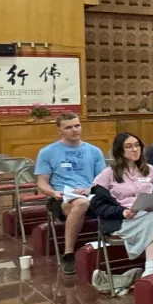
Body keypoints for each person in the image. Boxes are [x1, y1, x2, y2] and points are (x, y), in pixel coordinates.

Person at [35, 113, 106, 274]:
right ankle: (68, 253)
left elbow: (102, 180)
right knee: (81, 204)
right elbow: (41, 182)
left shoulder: (94, 151)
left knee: (87, 203)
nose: (74, 130)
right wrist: (52, 192)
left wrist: (89, 188)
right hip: (61, 196)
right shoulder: (47, 152)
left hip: (89, 193)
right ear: (59, 130)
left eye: (77, 125)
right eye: (68, 127)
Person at [90, 133, 153, 278]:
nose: (135, 149)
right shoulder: (108, 174)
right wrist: (122, 212)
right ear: (120, 151)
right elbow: (97, 205)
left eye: (137, 145)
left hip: (147, 215)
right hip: (122, 220)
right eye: (129, 146)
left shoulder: (150, 170)